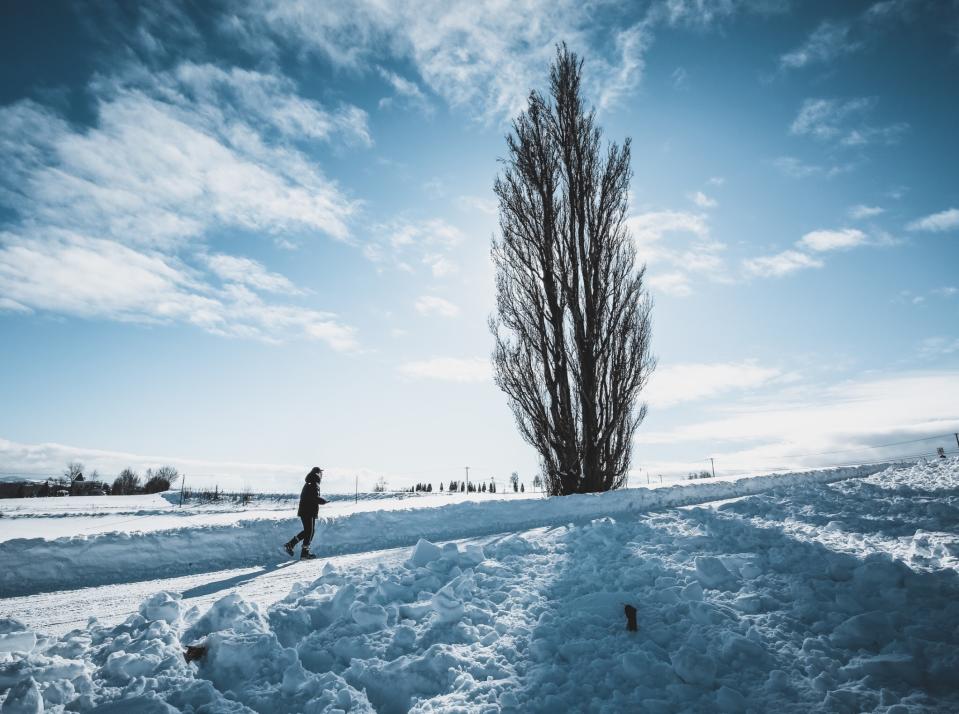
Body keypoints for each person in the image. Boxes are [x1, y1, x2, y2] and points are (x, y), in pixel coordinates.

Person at [283, 467, 328, 560]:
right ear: (317, 473)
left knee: (310, 531)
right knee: (309, 531)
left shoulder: (311, 482)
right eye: (320, 473)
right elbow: (313, 497)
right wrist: (323, 501)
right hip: (307, 511)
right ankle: (302, 552)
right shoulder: (313, 483)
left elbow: (311, 497)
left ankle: (292, 545)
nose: (322, 475)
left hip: (308, 510)